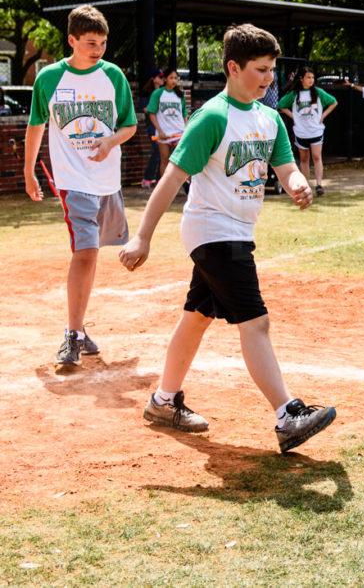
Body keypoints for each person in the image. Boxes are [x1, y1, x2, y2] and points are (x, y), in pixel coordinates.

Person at [119, 24, 336, 453]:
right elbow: (171, 179)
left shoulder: (269, 117)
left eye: (272, 69)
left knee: (197, 316)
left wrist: (296, 183)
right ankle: (287, 414)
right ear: (233, 68)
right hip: (212, 231)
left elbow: (285, 166)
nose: (269, 78)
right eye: (260, 69)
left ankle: (164, 401)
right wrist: (141, 237)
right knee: (255, 321)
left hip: (238, 232)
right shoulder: (213, 117)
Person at [22, 4, 138, 371]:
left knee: (93, 254)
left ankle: (79, 330)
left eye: (103, 43)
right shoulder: (49, 79)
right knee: (85, 252)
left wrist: (110, 142)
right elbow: (36, 126)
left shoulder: (114, 76)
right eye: (91, 42)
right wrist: (29, 172)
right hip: (73, 182)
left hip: (106, 181)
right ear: (71, 40)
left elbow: (129, 126)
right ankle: (72, 335)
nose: (98, 49)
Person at [278, 65, 338, 196]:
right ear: (301, 79)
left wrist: (322, 116)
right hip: (301, 132)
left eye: (313, 77)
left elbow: (333, 102)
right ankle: (306, 185)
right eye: (308, 77)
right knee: (304, 159)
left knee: (317, 157)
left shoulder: (318, 92)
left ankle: (319, 184)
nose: (311, 80)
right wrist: (293, 117)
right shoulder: (294, 94)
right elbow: (281, 105)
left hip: (316, 131)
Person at [146, 67, 190, 180]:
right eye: (171, 78)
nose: (174, 81)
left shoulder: (180, 95)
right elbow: (152, 113)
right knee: (164, 159)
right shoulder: (158, 94)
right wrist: (160, 131)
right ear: (165, 79)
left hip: (179, 131)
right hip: (164, 132)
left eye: (176, 78)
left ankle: (183, 183)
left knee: (179, 159)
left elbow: (184, 113)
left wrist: (185, 128)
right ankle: (163, 184)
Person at [139, 68, 164, 189]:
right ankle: (147, 179)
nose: (162, 79)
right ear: (153, 79)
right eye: (159, 77)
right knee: (157, 151)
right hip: (152, 126)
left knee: (165, 153)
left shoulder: (166, 92)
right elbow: (146, 109)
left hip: (165, 126)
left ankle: (160, 180)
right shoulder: (146, 93)